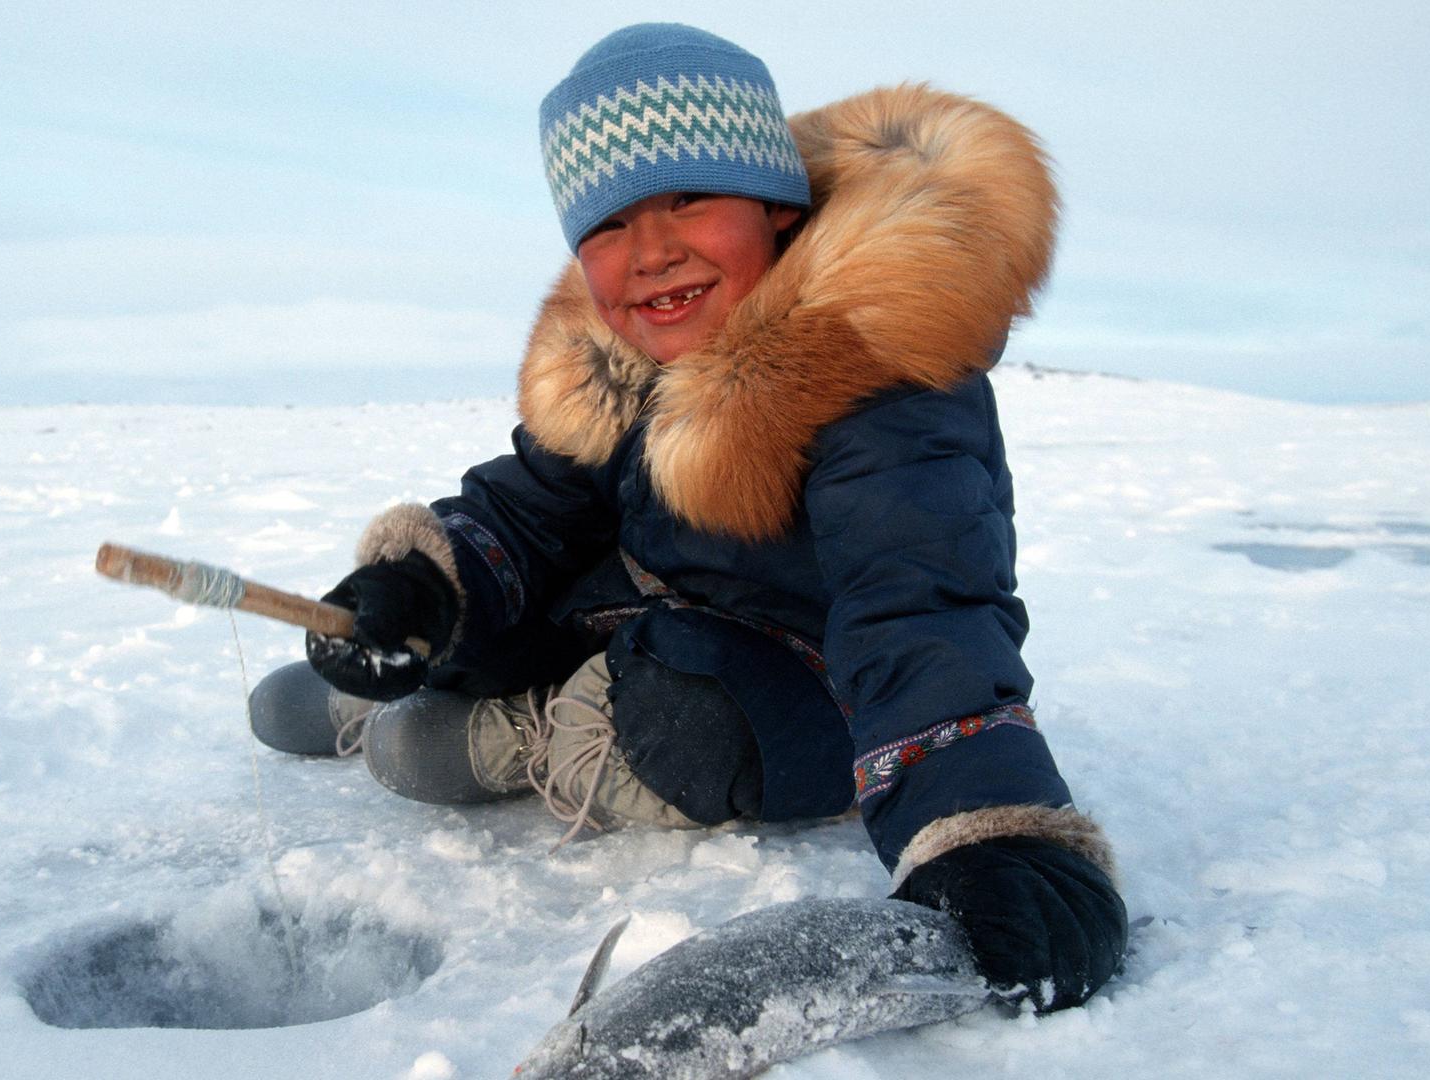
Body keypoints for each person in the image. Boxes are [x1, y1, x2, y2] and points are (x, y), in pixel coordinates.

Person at [249, 23, 1126, 1013]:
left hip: (802, 674)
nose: (653, 251)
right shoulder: (618, 366)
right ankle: (403, 669)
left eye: (690, 198)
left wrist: (993, 831)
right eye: (609, 225)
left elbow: (921, 607)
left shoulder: (878, 369)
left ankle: (531, 733)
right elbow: (527, 515)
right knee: (486, 611)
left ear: (777, 209)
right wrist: (420, 587)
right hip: (642, 616)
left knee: (690, 717)